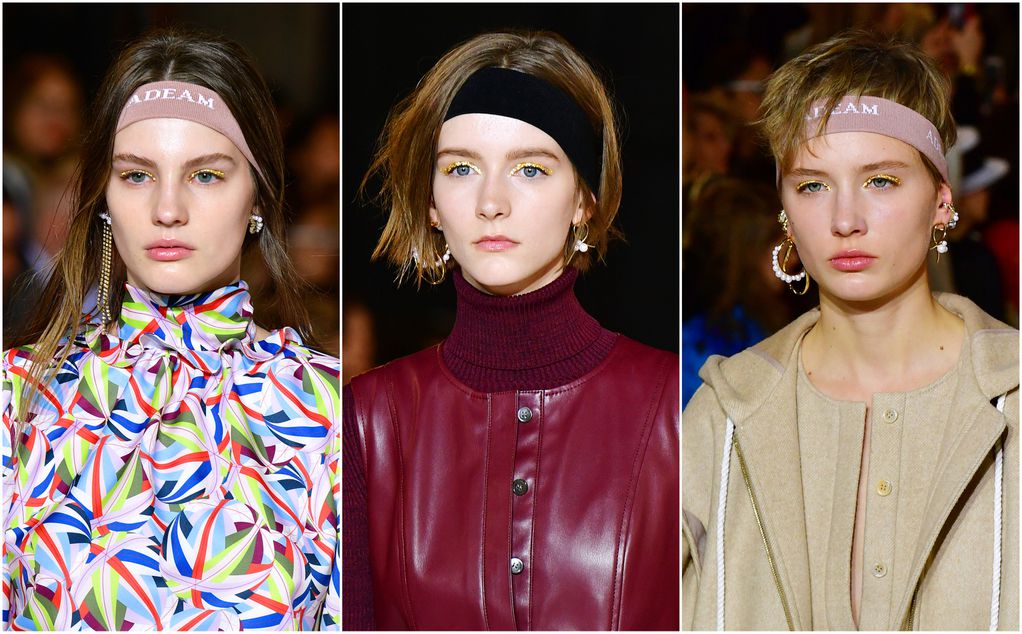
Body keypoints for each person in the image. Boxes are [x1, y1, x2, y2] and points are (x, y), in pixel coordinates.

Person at [2, 30, 339, 630]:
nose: (167, 210)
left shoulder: (328, 411)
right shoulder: (20, 398)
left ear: (258, 195)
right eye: (137, 175)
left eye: (206, 175)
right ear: (104, 197)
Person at [683, 31, 1018, 630]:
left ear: (942, 201)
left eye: (880, 180)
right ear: (785, 213)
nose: (845, 219)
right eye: (813, 185)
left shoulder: (1013, 398)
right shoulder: (721, 417)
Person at [344, 30, 678, 630]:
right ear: (431, 202)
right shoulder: (370, 419)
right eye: (461, 168)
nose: (491, 201)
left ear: (584, 199)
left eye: (529, 169)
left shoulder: (677, 403)